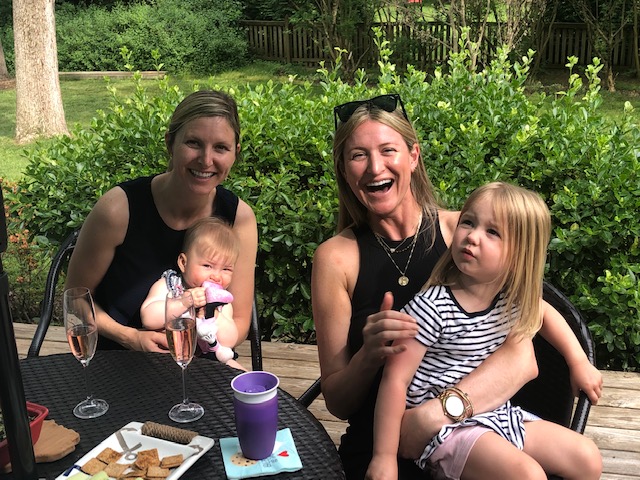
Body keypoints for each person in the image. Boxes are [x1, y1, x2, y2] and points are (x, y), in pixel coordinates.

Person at [311, 93, 602, 479]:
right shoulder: (336, 258)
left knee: (585, 460)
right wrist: (370, 355)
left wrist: (577, 361)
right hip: (384, 443)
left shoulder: (465, 232)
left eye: (388, 150)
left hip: (487, 422)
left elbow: (526, 338)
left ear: (413, 156)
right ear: (344, 170)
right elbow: (337, 402)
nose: (374, 167)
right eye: (358, 155)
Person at [366, 182, 602, 480]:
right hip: (443, 432)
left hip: (494, 414)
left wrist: (578, 361)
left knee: (588, 458)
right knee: (528, 475)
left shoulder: (509, 298)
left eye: (492, 232)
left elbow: (544, 314)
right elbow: (394, 380)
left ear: (521, 253)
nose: (472, 236)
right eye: (468, 222)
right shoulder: (433, 307)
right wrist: (384, 457)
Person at [64, 90, 258, 353]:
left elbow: (240, 322)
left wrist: (201, 335)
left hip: (201, 362)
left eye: (221, 148)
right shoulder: (118, 209)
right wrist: (130, 337)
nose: (206, 160)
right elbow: (75, 300)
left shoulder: (239, 219)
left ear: (235, 153)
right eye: (193, 143)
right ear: (170, 144)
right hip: (119, 360)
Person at [140, 216, 244, 370]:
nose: (216, 276)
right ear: (183, 263)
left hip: (208, 362)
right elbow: (148, 319)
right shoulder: (171, 286)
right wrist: (184, 302)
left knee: (240, 372)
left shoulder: (222, 304)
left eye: (226, 269)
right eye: (207, 266)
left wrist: (214, 314)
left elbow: (229, 340)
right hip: (167, 357)